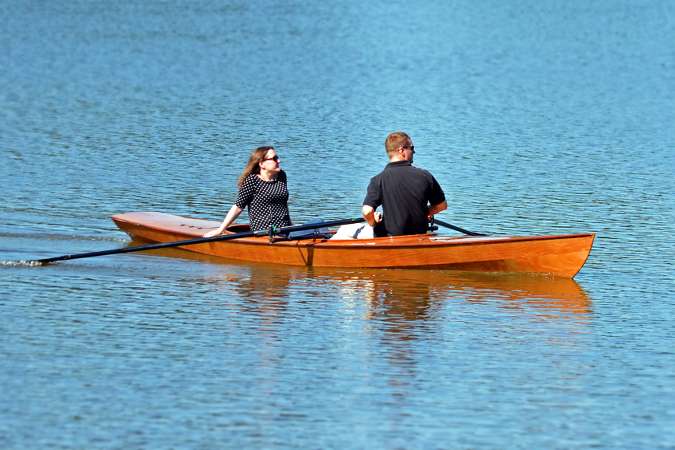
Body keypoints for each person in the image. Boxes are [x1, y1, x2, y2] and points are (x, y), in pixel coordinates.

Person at [362, 131, 447, 236]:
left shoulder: (378, 180)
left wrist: (373, 222)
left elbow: (367, 211)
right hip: (420, 240)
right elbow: (441, 205)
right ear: (401, 150)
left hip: (390, 242)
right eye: (412, 148)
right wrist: (424, 212)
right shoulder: (425, 176)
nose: (414, 151)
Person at [204, 146, 292, 237]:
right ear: (262, 164)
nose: (279, 161)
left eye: (277, 157)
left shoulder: (281, 175)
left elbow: (283, 204)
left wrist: (291, 225)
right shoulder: (252, 180)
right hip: (264, 231)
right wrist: (220, 230)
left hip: (285, 228)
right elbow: (238, 207)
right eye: (274, 158)